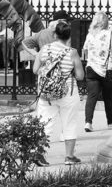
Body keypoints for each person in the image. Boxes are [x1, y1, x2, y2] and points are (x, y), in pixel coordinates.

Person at [33, 19, 85, 165]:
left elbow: (35, 70)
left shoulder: (45, 49)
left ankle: (38, 154)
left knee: (45, 122)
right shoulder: (72, 53)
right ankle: (69, 157)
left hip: (47, 93)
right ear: (69, 36)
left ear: (55, 35)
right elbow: (80, 76)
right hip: (67, 92)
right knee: (69, 122)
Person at [81, 12, 112, 131]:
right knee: (108, 97)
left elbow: (84, 50)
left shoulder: (90, 35)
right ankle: (110, 123)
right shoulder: (110, 34)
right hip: (106, 69)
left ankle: (88, 122)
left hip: (91, 68)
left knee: (91, 97)